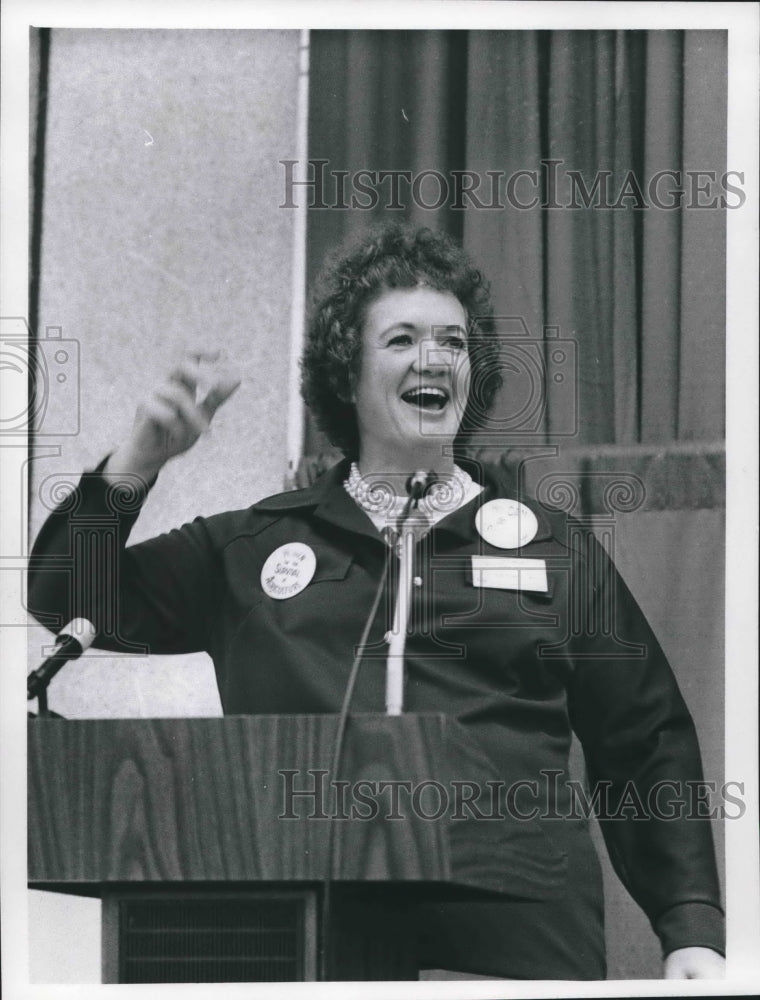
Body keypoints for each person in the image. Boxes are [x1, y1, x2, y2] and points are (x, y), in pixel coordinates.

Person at [28, 223, 725, 980]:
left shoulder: (553, 552)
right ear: (347, 374)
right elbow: (69, 597)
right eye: (401, 340)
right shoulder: (253, 548)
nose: (433, 359)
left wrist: (689, 929)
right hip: (301, 947)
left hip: (519, 947)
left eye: (453, 343)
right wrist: (137, 460)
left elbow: (646, 744)